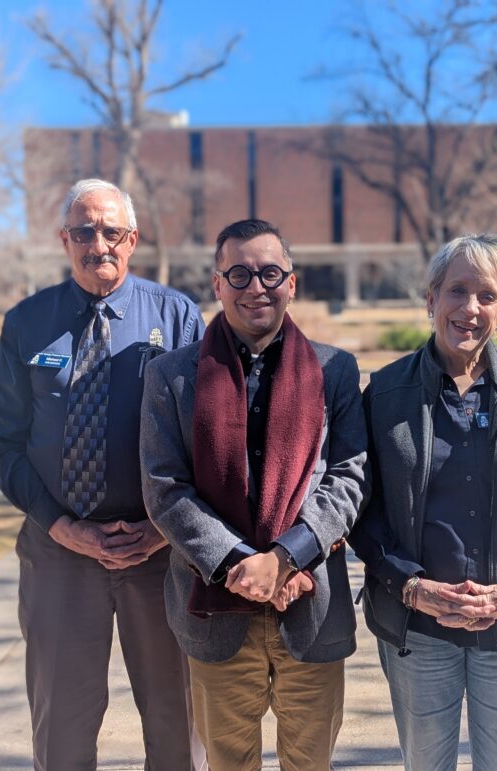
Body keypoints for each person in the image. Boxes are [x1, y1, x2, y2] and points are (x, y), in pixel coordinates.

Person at [0, 178, 206, 770]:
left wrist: (164, 530)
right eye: (83, 231)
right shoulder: (28, 323)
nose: (98, 242)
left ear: (132, 239)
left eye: (111, 231)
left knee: (177, 722)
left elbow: (209, 441)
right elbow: (4, 446)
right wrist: (60, 527)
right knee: (61, 725)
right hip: (59, 554)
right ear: (65, 240)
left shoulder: (178, 317)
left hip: (159, 555)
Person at [350, 234, 497, 771]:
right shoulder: (386, 394)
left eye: (488, 295)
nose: (470, 308)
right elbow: (362, 515)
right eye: (457, 291)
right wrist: (411, 586)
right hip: (418, 630)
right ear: (431, 298)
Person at [139, 218, 370, 771]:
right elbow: (165, 488)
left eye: (270, 272)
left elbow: (349, 477)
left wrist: (286, 558)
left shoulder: (336, 371)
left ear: (293, 283)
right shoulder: (172, 375)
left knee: (309, 763)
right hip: (215, 610)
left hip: (309, 603)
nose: (255, 287)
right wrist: (244, 566)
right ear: (217, 285)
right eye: (238, 273)